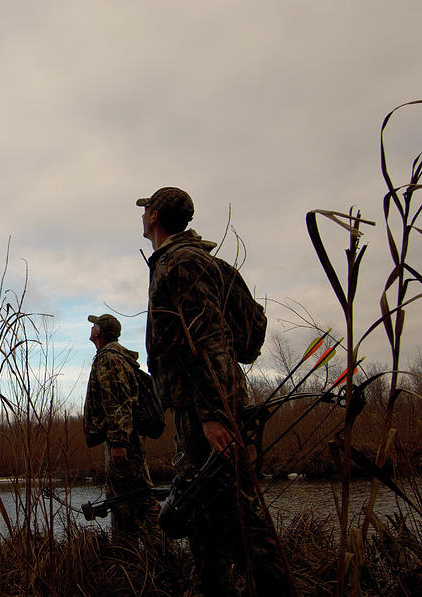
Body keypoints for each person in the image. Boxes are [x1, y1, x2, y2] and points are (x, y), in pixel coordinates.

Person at [138, 186, 293, 596]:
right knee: (202, 511)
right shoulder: (194, 261)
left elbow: (210, 339)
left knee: (234, 513)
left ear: (154, 216)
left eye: (144, 209)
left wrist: (213, 414)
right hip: (198, 405)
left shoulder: (183, 262)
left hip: (206, 406)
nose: (141, 216)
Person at [83, 313, 159, 545]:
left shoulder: (108, 359)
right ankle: (133, 557)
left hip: (124, 441)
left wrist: (117, 443)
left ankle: (154, 553)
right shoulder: (117, 358)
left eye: (94, 325)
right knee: (125, 497)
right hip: (127, 438)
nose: (92, 328)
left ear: (99, 332)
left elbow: (118, 401)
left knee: (136, 497)